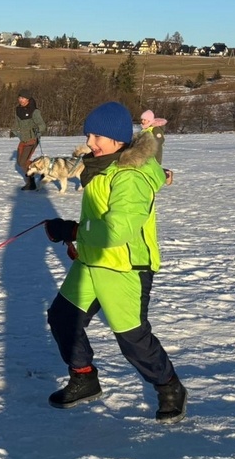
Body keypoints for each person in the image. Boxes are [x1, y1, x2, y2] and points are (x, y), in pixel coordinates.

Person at [43, 101, 187, 424]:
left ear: (118, 140)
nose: (90, 142)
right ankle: (84, 378)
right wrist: (77, 238)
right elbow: (98, 219)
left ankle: (170, 388)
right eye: (88, 134)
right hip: (92, 263)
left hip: (125, 267)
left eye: (96, 136)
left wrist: (75, 230)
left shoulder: (131, 175)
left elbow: (118, 229)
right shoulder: (101, 166)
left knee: (133, 340)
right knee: (63, 318)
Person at [12, 90, 47, 191]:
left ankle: (30, 183)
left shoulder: (34, 111)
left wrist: (38, 130)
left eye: (23, 98)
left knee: (23, 162)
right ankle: (42, 169)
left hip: (32, 139)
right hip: (23, 138)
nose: (21, 100)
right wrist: (13, 129)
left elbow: (42, 125)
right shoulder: (18, 110)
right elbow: (17, 122)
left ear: (28, 99)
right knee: (20, 162)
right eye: (20, 98)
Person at [140, 109, 173, 185]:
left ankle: (166, 174)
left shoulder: (155, 129)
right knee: (145, 167)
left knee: (152, 167)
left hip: (154, 153)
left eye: (145, 120)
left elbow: (159, 140)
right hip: (145, 152)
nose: (142, 121)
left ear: (149, 120)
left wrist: (150, 147)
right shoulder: (144, 129)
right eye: (142, 119)